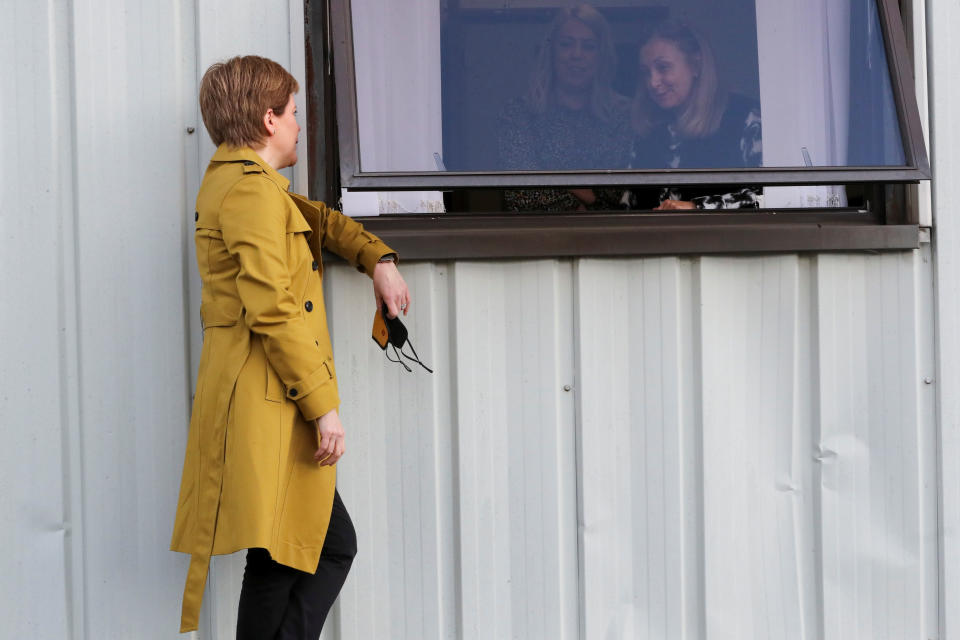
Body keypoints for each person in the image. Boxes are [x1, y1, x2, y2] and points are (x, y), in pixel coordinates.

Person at [170, 55, 409, 638]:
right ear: (269, 118)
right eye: (296, 113)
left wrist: (377, 259)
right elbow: (273, 310)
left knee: (286, 551)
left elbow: (321, 223)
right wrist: (324, 408)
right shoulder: (248, 193)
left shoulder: (249, 184)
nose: (302, 125)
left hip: (268, 394)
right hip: (269, 395)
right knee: (311, 549)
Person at [498, 4, 630, 211]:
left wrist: (553, 182)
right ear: (551, 50)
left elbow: (619, 196)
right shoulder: (520, 113)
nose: (576, 54)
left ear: (601, 55)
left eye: (588, 46)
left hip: (610, 237)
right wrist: (587, 199)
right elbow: (520, 195)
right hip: (535, 238)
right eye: (566, 44)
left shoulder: (622, 114)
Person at [625, 19, 762, 210]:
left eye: (663, 67)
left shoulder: (743, 117)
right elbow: (629, 204)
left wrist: (697, 207)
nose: (653, 82)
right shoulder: (649, 132)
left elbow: (768, 195)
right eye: (646, 72)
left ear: (696, 65)